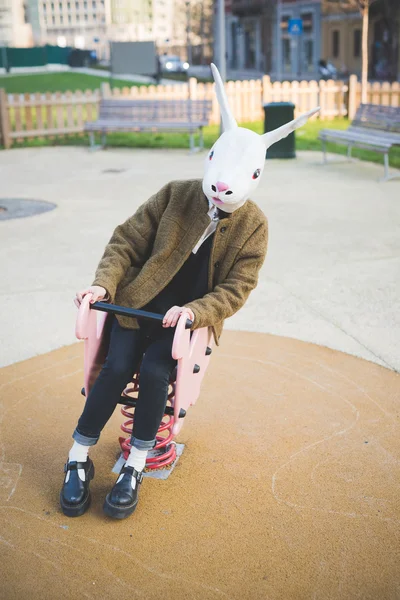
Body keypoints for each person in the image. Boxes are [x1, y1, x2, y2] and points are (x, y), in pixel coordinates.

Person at [60, 64, 318, 520]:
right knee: (116, 364)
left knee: (159, 371)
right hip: (136, 305)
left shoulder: (253, 224)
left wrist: (196, 312)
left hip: (183, 322)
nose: (220, 189)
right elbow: (126, 240)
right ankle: (78, 455)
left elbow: (238, 286)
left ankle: (135, 464)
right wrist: (104, 282)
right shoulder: (175, 195)